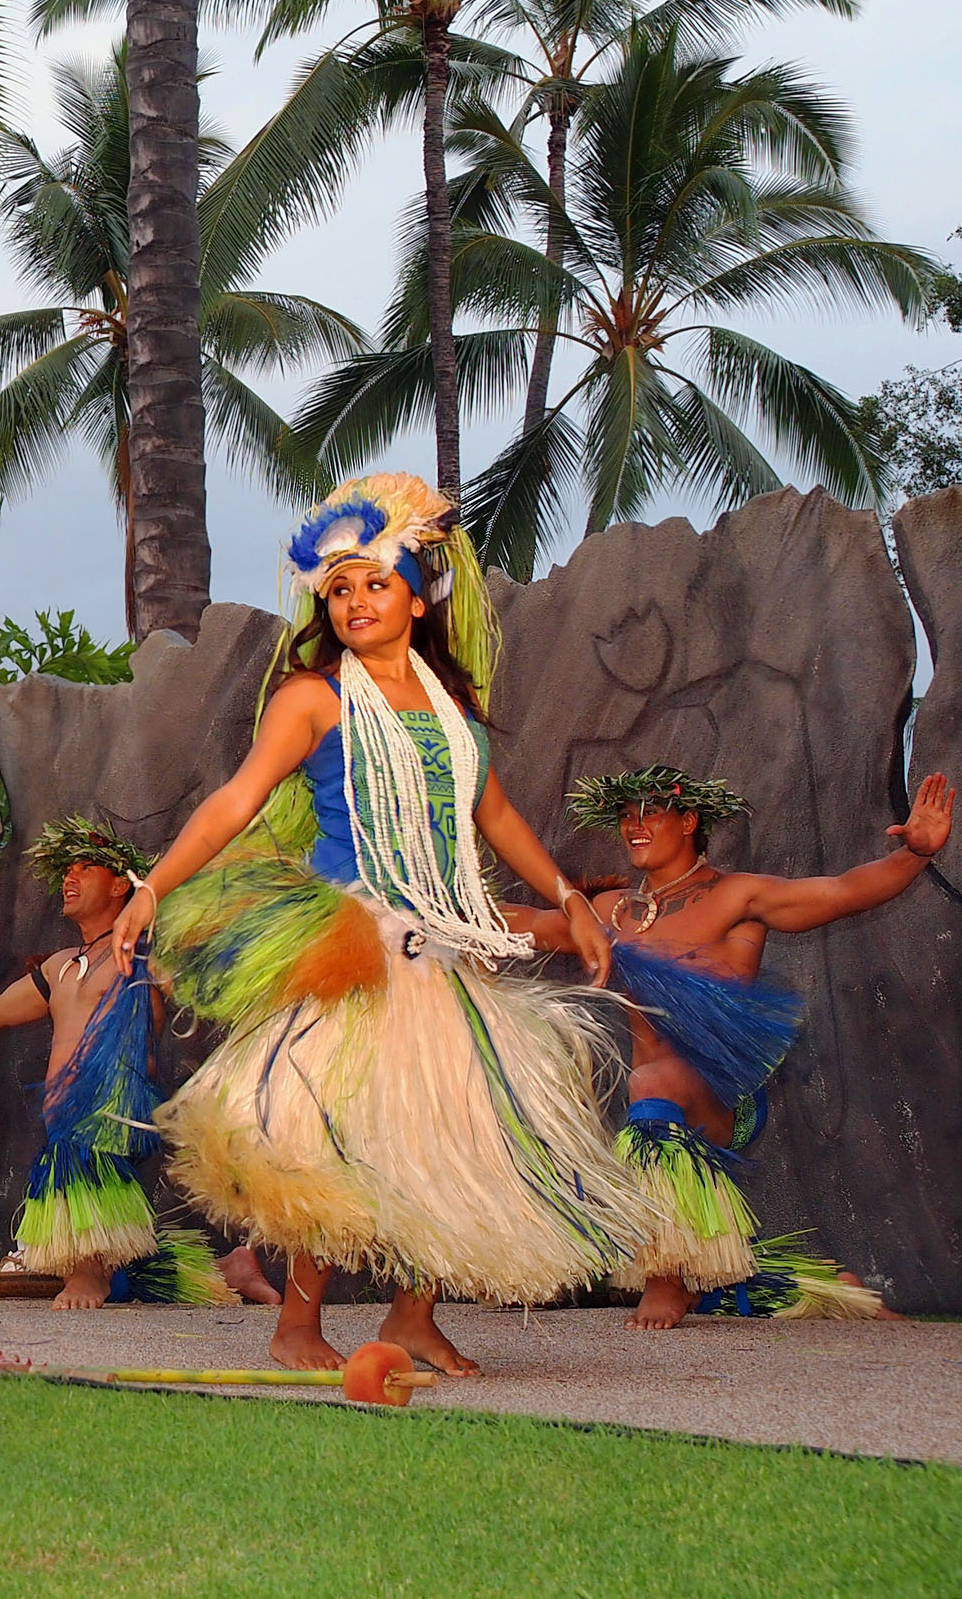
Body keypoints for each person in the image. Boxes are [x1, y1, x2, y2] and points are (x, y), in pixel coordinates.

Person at [113, 472, 659, 1375]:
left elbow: (499, 818)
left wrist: (566, 898)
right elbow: (233, 804)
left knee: (449, 1132)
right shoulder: (314, 698)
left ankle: (412, 1315)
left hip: (443, 949)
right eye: (340, 589)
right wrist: (153, 887)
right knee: (334, 1135)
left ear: (416, 593)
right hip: (354, 949)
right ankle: (296, 1324)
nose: (357, 601)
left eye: (376, 582)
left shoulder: (455, 713)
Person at [513, 764, 944, 1326]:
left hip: (724, 1097)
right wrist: (428, 903)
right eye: (625, 815)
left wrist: (914, 854)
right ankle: (815, 1288)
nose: (634, 826)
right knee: (649, 1089)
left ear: (689, 820)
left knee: (651, 1082)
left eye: (651, 812)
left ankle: (664, 1277)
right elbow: (531, 925)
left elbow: (841, 892)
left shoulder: (735, 896)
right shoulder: (610, 912)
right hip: (658, 1115)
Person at [0, 817, 236, 1312]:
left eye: (85, 869)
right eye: (67, 869)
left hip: (112, 1109)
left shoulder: (146, 955)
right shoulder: (61, 965)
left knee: (85, 1212)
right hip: (63, 1117)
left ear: (119, 885)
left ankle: (90, 1278)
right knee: (95, 1242)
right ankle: (224, 1272)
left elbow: (206, 996)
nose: (70, 878)